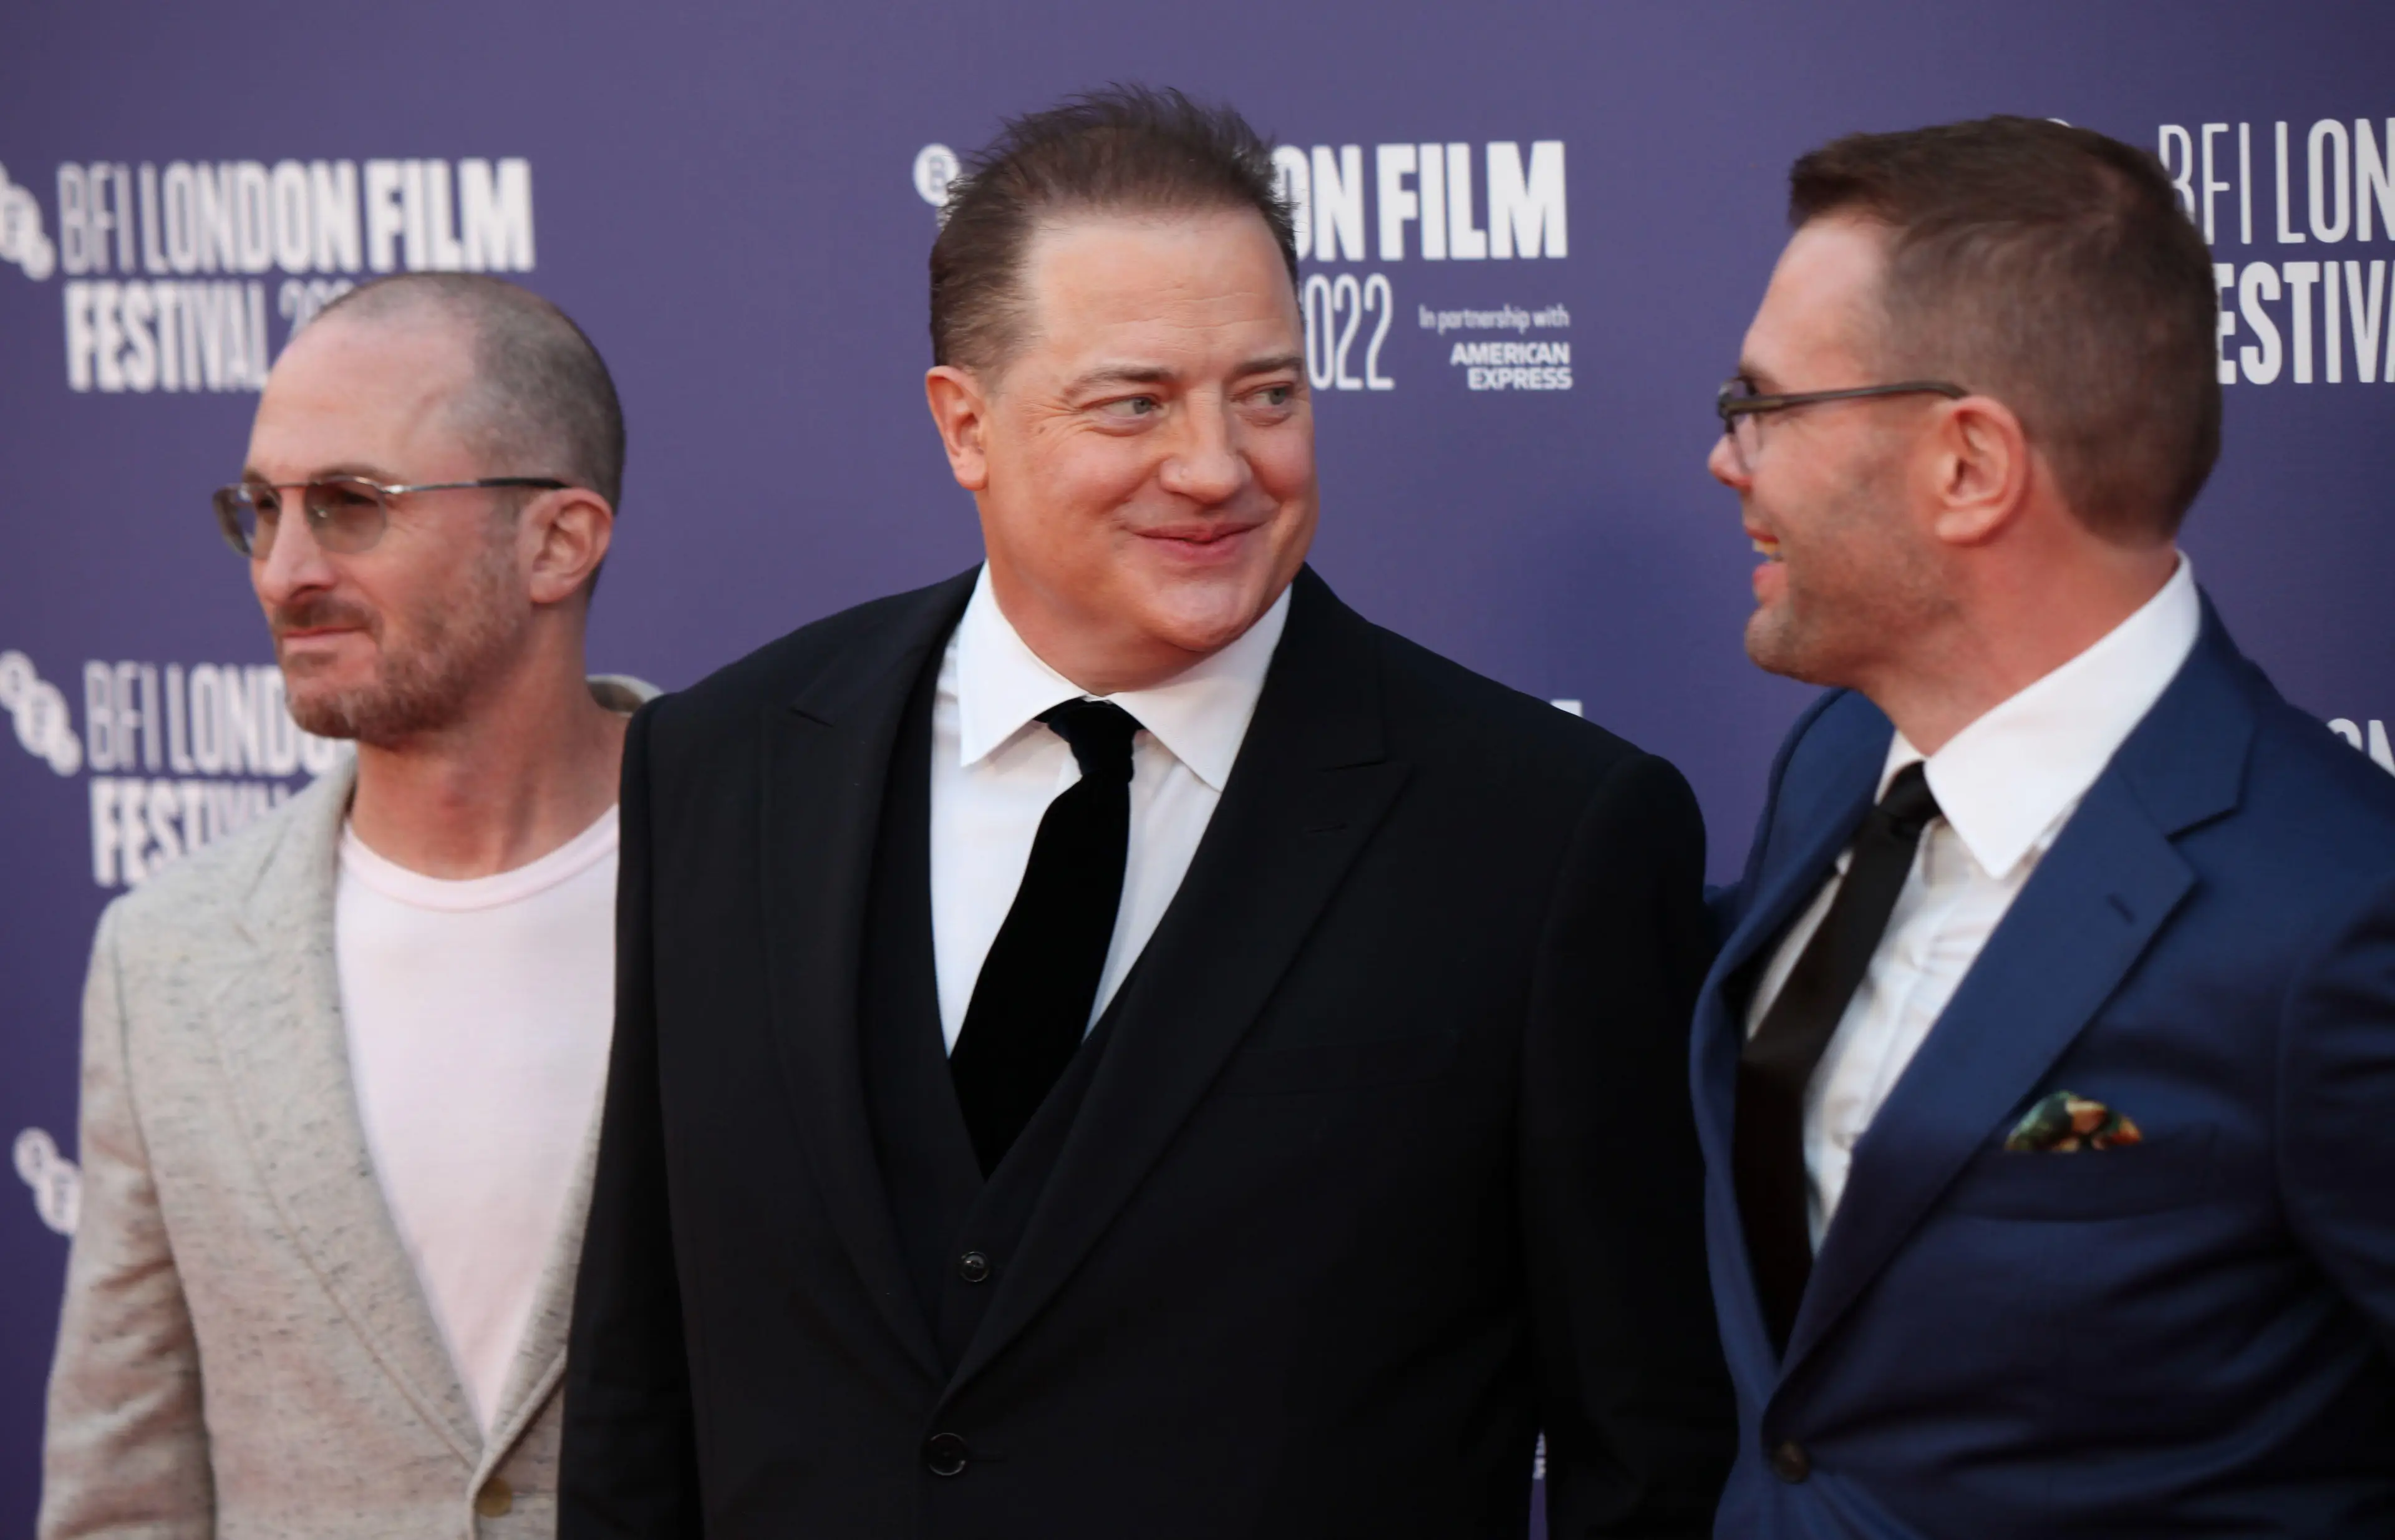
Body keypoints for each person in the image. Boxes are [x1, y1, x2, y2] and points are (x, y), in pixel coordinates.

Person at [561, 86, 1730, 1538]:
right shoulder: (720, 764)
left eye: (1269, 392)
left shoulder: (1547, 836)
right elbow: (638, 1369)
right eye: (1137, 402)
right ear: (964, 424)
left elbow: (1650, 1445)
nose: (1219, 467)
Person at [1696, 115, 2395, 1536]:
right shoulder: (1839, 762)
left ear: (1968, 466)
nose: (1730, 459)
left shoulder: (2338, 921)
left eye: (1765, 405)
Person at [41, 273, 652, 1537]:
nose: (282, 571)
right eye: (260, 510)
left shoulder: (783, 891)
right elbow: (124, 1472)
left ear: (559, 540)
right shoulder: (174, 960)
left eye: (350, 506)